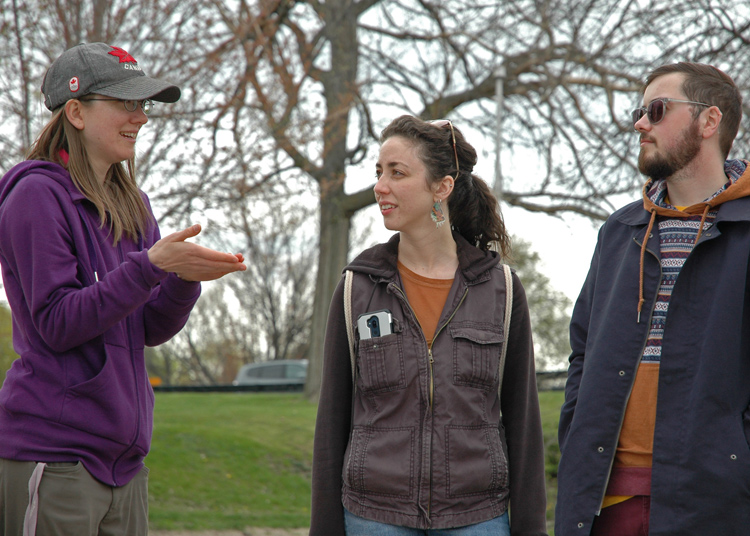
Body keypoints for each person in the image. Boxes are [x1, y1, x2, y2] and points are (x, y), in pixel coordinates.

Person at [0, 42, 247, 535]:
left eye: (144, 105)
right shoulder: (35, 195)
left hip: (126, 467)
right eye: (125, 104)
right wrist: (149, 266)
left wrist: (181, 280)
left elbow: (149, 326)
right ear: (75, 112)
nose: (141, 118)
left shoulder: (133, 203)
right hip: (55, 458)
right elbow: (56, 322)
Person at [310, 115, 547, 536]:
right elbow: (331, 423)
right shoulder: (356, 287)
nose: (380, 186)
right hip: (374, 518)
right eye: (379, 172)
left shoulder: (502, 289)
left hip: (478, 517)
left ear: (442, 187)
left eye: (397, 173)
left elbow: (524, 424)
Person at [555, 62, 750, 535]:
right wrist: (577, 434)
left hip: (713, 503)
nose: (640, 123)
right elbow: (582, 349)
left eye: (657, 110)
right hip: (604, 500)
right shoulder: (619, 232)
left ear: (709, 121)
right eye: (640, 111)